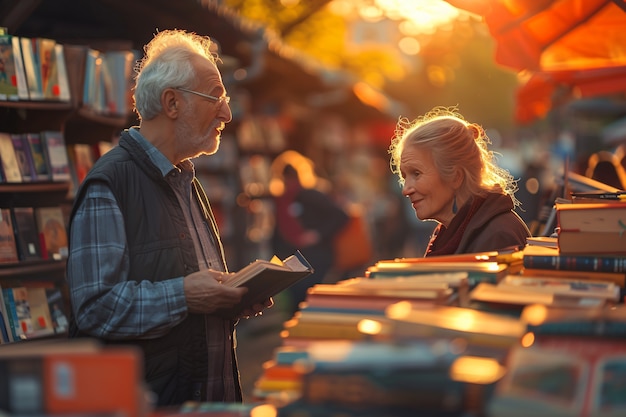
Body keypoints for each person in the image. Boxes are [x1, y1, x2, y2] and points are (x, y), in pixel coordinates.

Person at [66, 29, 271, 406]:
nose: (227, 112)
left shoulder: (187, 180)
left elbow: (190, 295)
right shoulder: (110, 183)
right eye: (217, 96)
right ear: (172, 103)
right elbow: (95, 310)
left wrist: (231, 298)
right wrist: (185, 295)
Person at [388, 107, 531, 256]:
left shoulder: (498, 237)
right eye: (404, 177)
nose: (405, 190)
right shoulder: (452, 232)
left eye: (416, 174)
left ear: (456, 177)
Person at [269, 150, 349, 316]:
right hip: (291, 260)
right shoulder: (281, 200)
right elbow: (277, 233)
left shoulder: (311, 195)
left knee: (307, 300)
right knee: (296, 303)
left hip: (315, 257)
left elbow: (340, 216)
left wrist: (317, 234)